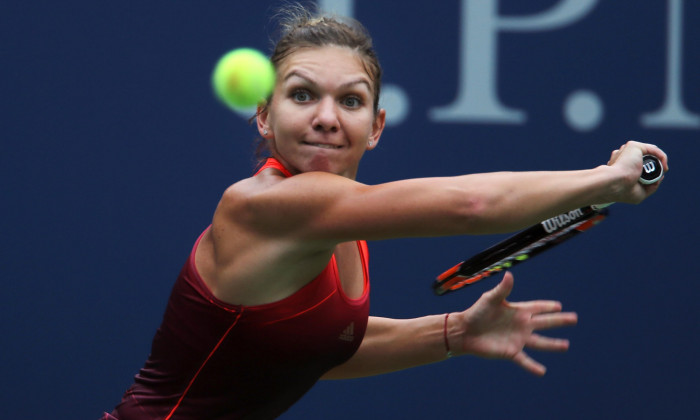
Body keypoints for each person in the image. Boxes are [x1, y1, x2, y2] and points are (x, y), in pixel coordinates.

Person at [103, 5, 668, 420]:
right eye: (302, 95)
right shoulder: (262, 207)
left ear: (375, 127)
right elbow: (470, 205)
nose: (326, 117)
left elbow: (317, 347)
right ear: (264, 116)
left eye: (350, 101)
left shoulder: (347, 222)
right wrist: (606, 180)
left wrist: (453, 332)